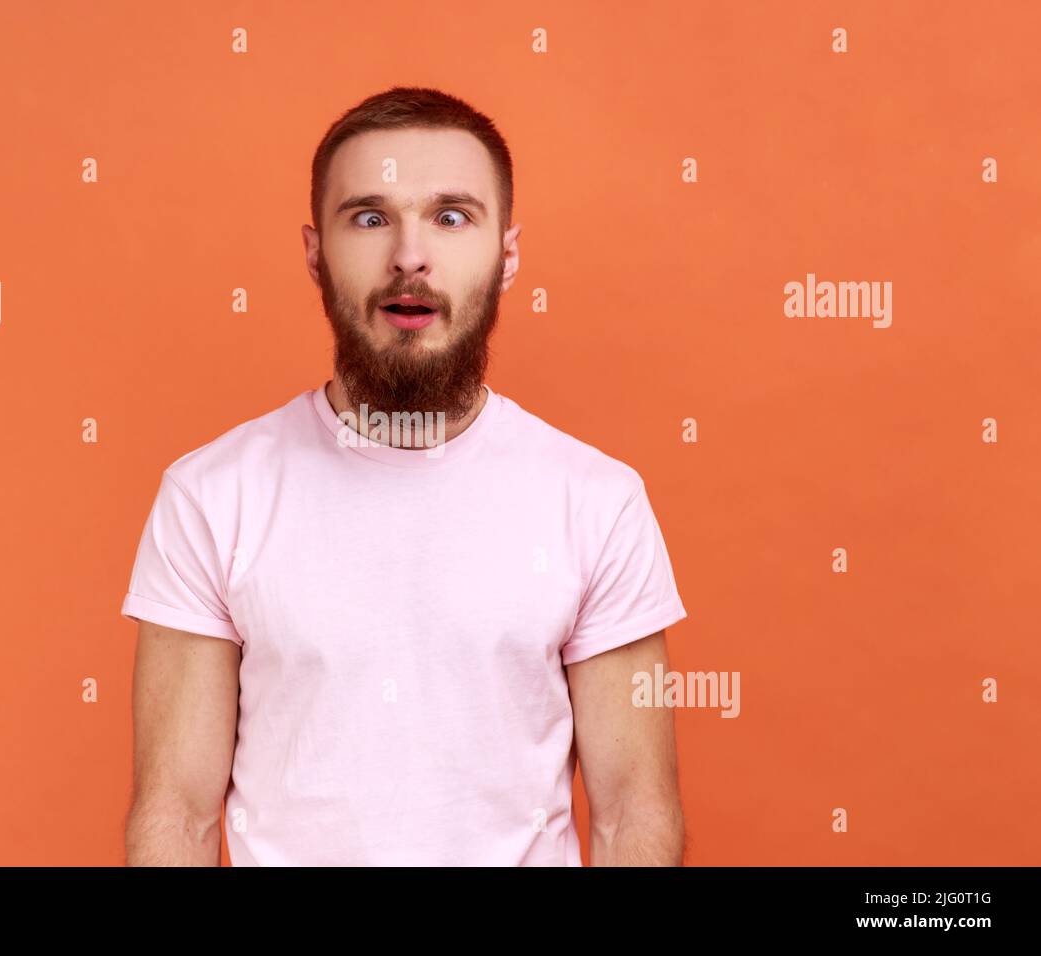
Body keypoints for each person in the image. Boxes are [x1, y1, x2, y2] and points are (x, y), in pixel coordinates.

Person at [121, 86, 689, 866]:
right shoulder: (212, 497)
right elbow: (176, 816)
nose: (409, 255)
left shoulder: (596, 501)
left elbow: (634, 816)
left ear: (508, 254)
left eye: (451, 216)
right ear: (315, 252)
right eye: (369, 216)